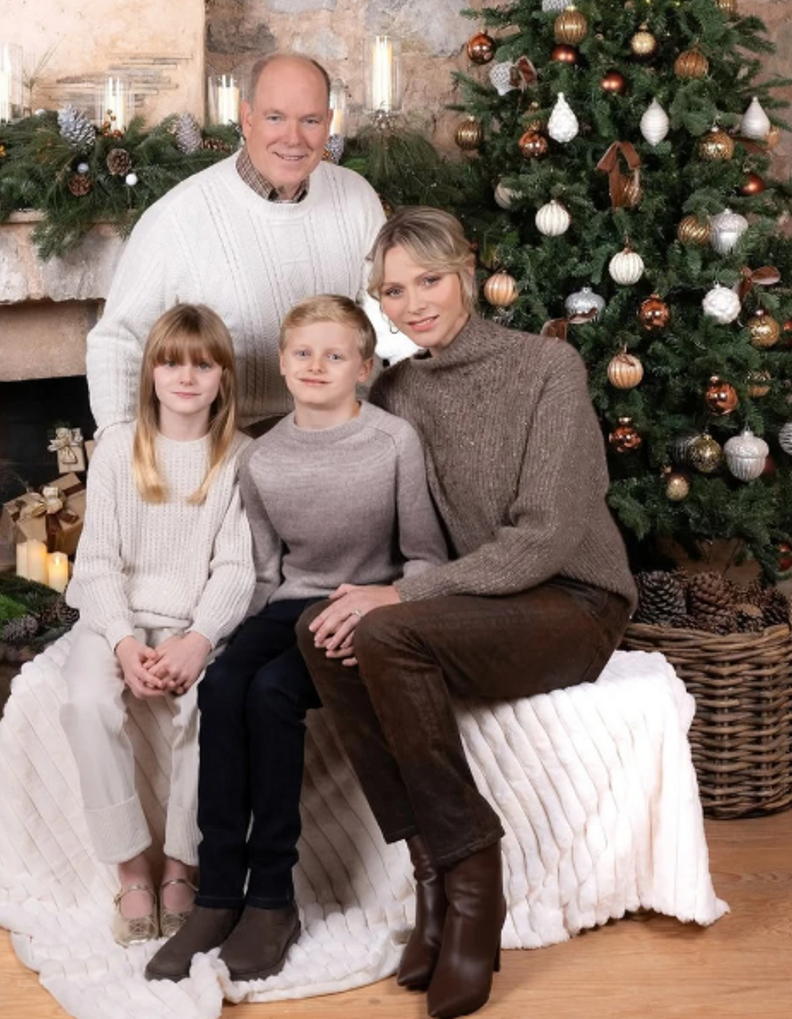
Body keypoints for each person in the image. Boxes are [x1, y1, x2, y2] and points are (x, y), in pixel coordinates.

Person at [296, 208, 637, 1019]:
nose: (414, 303)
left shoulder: (548, 367)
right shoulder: (400, 389)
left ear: (467, 271)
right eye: (393, 291)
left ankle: (474, 879)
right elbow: (369, 497)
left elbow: (547, 536)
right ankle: (431, 879)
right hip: (478, 603)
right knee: (326, 631)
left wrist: (407, 593)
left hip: (571, 600)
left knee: (387, 624)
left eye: (429, 280)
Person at [146, 294, 446, 984]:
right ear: (281, 364)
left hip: (364, 607)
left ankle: (274, 900)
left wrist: (385, 607)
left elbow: (425, 555)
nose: (317, 366)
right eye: (303, 353)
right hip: (287, 606)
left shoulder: (392, 442)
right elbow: (260, 573)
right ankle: (219, 894)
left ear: (364, 368)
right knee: (224, 685)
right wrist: (211, 637)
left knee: (275, 693)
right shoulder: (264, 457)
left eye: (335, 355)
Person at [60, 304, 255, 947]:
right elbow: (97, 561)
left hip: (197, 625)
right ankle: (131, 867)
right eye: (171, 362)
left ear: (224, 376)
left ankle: (180, 865)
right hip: (112, 621)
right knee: (88, 700)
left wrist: (198, 640)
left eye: (203, 364)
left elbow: (235, 566)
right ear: (150, 373)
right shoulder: (119, 448)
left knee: (213, 705)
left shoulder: (239, 458)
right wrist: (120, 640)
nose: (186, 377)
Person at [86, 53, 405, 436]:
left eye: (310, 120)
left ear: (328, 124)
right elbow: (119, 338)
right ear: (247, 117)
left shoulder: (356, 197)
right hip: (231, 445)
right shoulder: (178, 216)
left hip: (342, 429)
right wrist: (119, 446)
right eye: (275, 118)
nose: (294, 138)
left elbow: (390, 316)